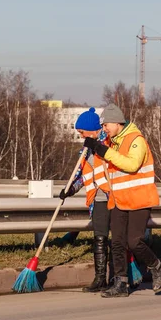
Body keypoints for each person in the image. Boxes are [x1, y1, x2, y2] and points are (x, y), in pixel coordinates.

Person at [83, 104, 161, 298]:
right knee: (118, 242)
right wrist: (94, 149)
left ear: (117, 122)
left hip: (139, 199)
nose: (104, 129)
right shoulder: (113, 143)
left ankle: (156, 266)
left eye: (106, 126)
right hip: (119, 200)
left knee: (134, 241)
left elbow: (131, 164)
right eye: (103, 126)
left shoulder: (136, 140)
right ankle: (120, 283)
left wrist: (102, 150)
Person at [59, 107, 112, 292]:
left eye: (81, 131)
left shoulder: (109, 142)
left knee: (120, 240)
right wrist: (70, 189)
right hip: (96, 199)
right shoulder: (85, 150)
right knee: (99, 238)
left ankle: (119, 276)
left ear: (91, 128)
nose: (80, 135)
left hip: (112, 196)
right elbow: (82, 176)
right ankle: (100, 279)